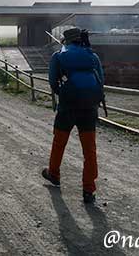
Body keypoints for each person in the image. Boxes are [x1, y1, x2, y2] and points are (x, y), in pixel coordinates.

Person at [42, 27, 104, 204]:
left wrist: (62, 92)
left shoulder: (59, 56)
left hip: (68, 107)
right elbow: (101, 80)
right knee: (89, 149)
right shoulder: (93, 56)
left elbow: (53, 81)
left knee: (59, 142)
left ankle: (53, 174)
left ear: (66, 40)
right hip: (89, 108)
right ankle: (89, 190)